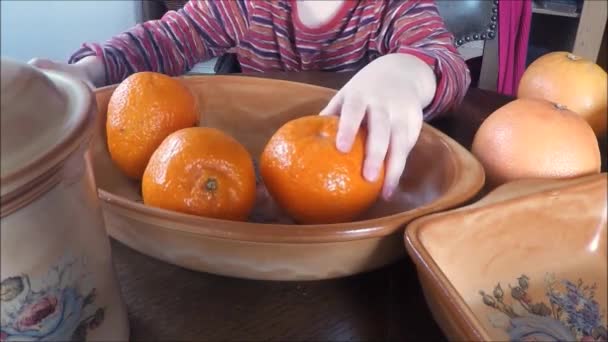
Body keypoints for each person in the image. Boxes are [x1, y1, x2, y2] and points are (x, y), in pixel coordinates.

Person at [30, 0, 470, 200]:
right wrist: (88, 70)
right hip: (251, 172)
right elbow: (164, 39)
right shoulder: (243, 5)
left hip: (354, 184)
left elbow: (446, 64)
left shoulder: (397, 7)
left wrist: (409, 70)